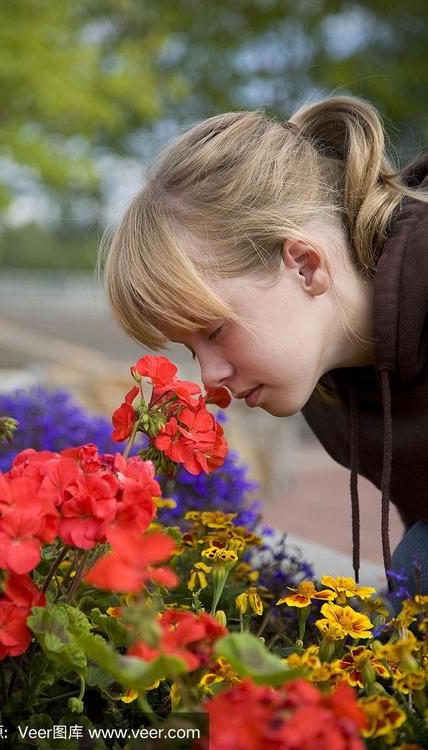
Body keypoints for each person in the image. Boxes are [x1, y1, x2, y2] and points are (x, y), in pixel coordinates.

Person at [101, 94, 428, 598]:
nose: (209, 380)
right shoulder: (320, 380)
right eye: (191, 351)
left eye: (213, 331)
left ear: (305, 265)